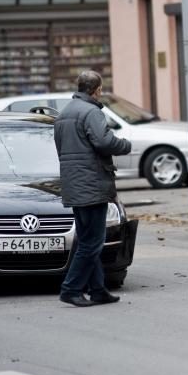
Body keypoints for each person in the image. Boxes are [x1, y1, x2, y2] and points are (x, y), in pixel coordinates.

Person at [55, 70, 132, 307]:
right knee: (92, 242)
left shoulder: (65, 112)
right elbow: (104, 142)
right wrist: (125, 145)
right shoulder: (91, 112)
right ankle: (71, 288)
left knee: (88, 239)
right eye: (101, 88)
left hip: (74, 184)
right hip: (91, 184)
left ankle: (98, 289)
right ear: (96, 89)